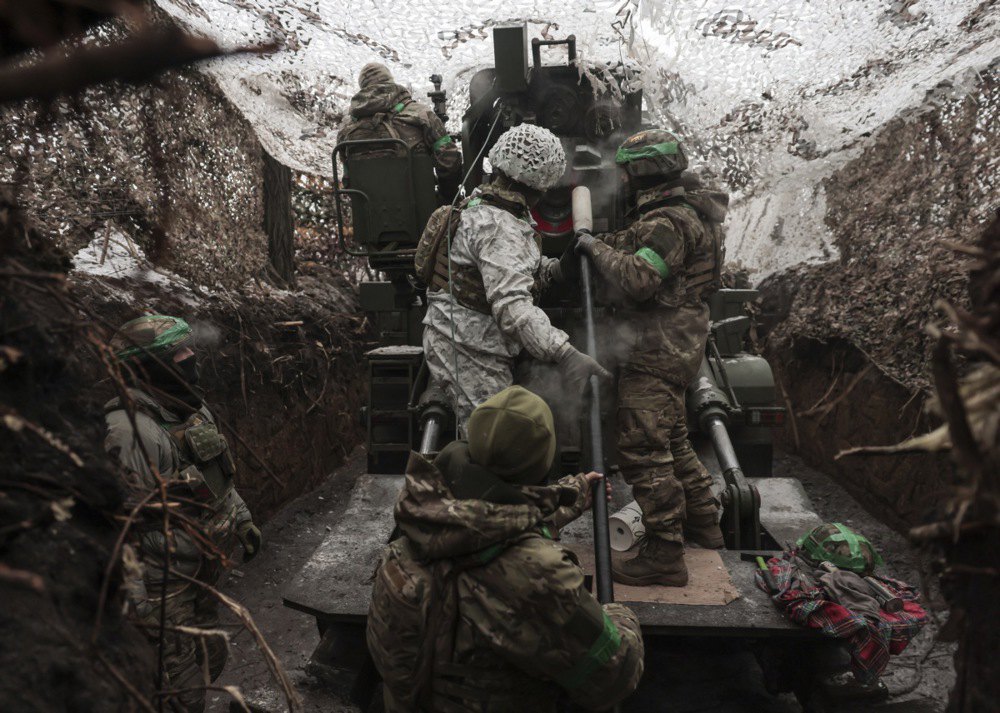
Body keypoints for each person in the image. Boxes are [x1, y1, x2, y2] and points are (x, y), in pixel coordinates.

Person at [367, 385, 644, 712]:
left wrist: (566, 498)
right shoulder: (540, 574)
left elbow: (484, 522)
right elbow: (615, 675)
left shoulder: (419, 513)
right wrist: (618, 616)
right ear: (544, 461)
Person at [574, 129, 730, 587]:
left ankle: (664, 554)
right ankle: (704, 521)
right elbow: (643, 244)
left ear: (641, 173)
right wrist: (612, 240)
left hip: (657, 348)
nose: (621, 179)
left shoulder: (668, 222)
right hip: (680, 342)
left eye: (626, 170)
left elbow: (639, 280)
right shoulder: (687, 213)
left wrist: (592, 246)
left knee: (643, 449)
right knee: (674, 437)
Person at [103, 315, 260, 712]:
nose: (192, 360)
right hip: (162, 588)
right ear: (150, 369)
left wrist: (241, 519)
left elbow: (218, 479)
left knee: (211, 658)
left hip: (201, 572)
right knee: (180, 692)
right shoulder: (131, 433)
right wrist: (137, 601)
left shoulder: (192, 408)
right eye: (179, 355)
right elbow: (118, 526)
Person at [419, 123, 610, 433]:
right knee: (493, 446)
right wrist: (567, 354)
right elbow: (511, 306)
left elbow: (505, 270)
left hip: (468, 340)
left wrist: (555, 269)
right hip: (470, 351)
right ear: (540, 186)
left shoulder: (486, 207)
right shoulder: (498, 227)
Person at [339, 62, 463, 202]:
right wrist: (445, 195)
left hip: (370, 219)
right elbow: (450, 162)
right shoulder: (421, 114)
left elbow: (348, 182)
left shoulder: (346, 133)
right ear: (390, 82)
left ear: (363, 89)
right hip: (423, 213)